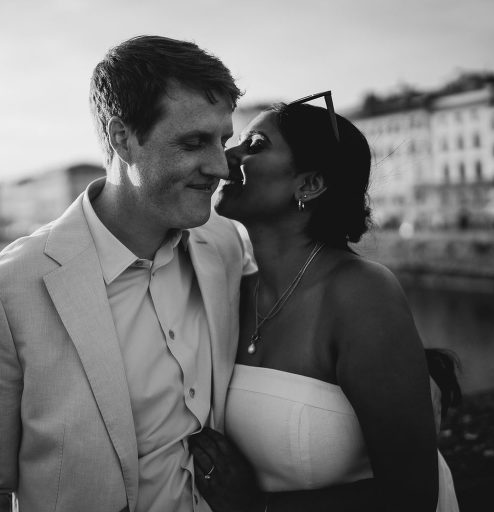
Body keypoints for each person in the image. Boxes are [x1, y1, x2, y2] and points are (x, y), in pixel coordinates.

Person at [0, 35, 254, 512]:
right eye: (193, 143)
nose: (220, 167)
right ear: (123, 137)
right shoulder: (2, 293)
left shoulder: (225, 244)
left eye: (222, 141)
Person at [188, 94, 460, 512]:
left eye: (255, 145)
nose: (227, 156)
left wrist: (257, 507)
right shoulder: (232, 291)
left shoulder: (362, 291)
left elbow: (413, 496)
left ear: (310, 184)